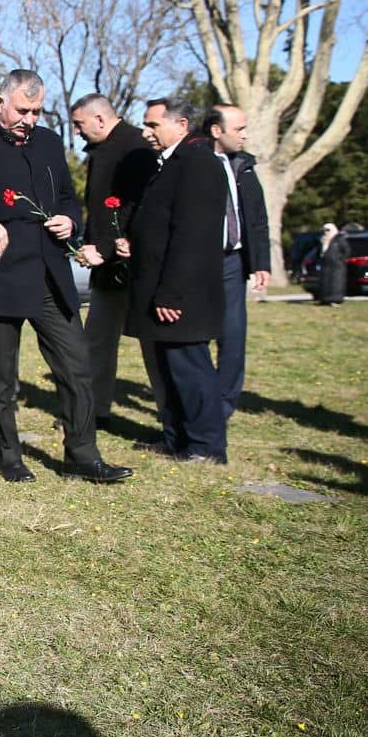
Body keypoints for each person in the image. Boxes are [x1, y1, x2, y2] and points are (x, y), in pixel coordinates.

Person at [0, 68, 132, 485]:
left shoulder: (50, 143)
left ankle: (83, 455)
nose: (29, 120)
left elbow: (68, 198)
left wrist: (70, 220)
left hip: (51, 276)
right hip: (0, 278)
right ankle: (9, 457)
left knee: (77, 367)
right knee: (0, 378)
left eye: (37, 112)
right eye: (22, 110)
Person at [120, 97, 230, 463]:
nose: (146, 132)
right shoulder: (170, 163)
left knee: (189, 368)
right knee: (168, 369)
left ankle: (206, 445)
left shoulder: (197, 164)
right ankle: (176, 437)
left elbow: (192, 235)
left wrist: (172, 292)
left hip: (181, 293)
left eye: (153, 125)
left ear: (181, 125)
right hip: (158, 286)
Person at [68, 94, 161, 428]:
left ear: (100, 119)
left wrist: (106, 247)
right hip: (107, 267)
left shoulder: (136, 149)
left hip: (134, 262)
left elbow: (137, 206)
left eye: (79, 124)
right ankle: (94, 411)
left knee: (153, 343)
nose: (76, 131)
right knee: (97, 339)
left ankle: (174, 420)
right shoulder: (100, 150)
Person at [204, 105, 271, 420]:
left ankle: (223, 407)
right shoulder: (194, 163)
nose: (245, 135)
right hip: (200, 263)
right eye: (239, 129)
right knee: (195, 337)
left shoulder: (244, 166)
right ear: (216, 131)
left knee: (233, 336)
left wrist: (261, 263)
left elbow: (257, 218)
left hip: (233, 262)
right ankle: (199, 401)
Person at [314, 222, 349, 305]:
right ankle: (324, 299)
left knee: (335, 283)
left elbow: (346, 251)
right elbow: (319, 252)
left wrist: (340, 260)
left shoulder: (339, 239)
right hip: (325, 265)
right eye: (324, 230)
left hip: (337, 266)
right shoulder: (322, 240)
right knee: (325, 283)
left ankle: (335, 299)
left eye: (328, 230)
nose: (326, 232)